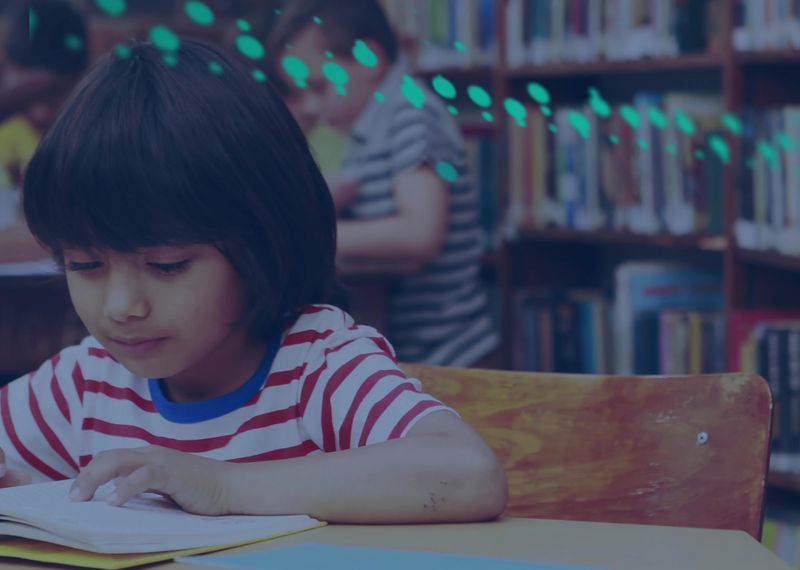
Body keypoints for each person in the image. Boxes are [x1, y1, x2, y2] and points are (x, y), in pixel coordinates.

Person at [0, 38, 507, 524]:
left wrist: (223, 486)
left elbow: (469, 475)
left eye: (168, 266)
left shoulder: (316, 364)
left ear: (260, 244)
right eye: (85, 266)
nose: (122, 306)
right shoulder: (86, 383)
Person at [268, 0, 499, 368]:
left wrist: (307, 237)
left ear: (368, 60)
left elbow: (418, 234)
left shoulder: (411, 114)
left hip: (447, 356)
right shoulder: (368, 127)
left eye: (319, 86)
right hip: (413, 352)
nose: (310, 106)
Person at [0, 0, 87, 264]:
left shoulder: (89, 138)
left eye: (53, 97)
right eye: (29, 97)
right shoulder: (8, 133)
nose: (41, 113)